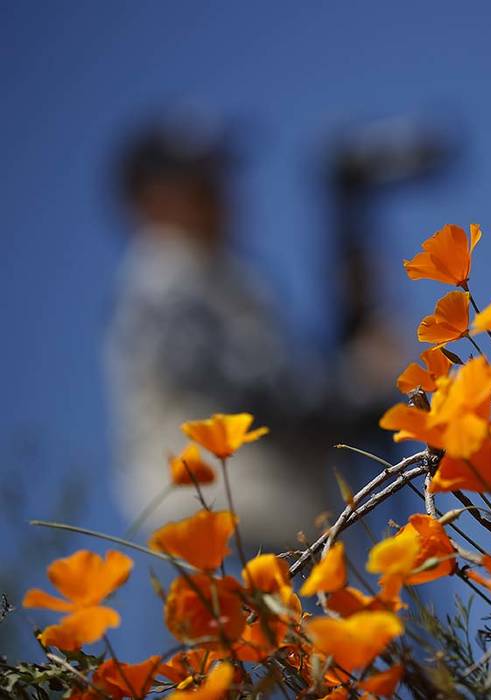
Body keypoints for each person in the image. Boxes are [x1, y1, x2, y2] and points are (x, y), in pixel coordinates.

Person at [105, 115, 449, 548]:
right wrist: (357, 385)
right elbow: (263, 398)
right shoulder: (165, 277)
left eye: (219, 173)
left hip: (276, 525)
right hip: (225, 527)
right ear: (147, 199)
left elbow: (284, 385)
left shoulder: (225, 278)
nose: (220, 191)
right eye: (198, 180)